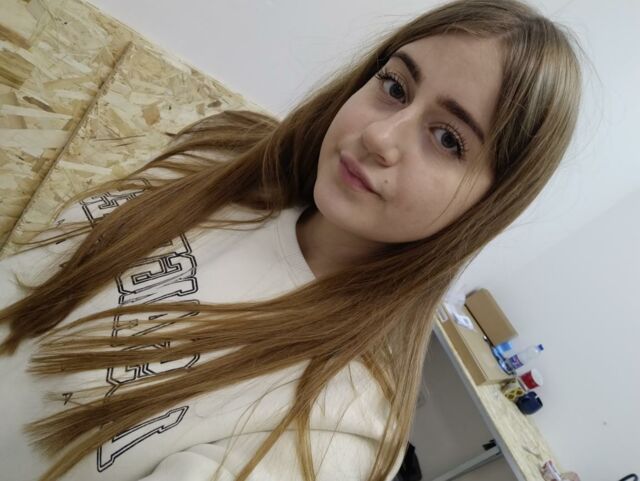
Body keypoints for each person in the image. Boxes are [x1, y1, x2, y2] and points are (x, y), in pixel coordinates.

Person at [0, 0, 584, 480]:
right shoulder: (224, 153)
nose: (380, 136)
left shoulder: (339, 431)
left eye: (449, 139)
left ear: (487, 206)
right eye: (395, 86)